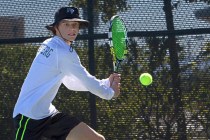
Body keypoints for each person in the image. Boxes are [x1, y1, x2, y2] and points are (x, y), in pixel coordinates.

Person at [13, 6, 121, 140]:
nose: (72, 29)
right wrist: (110, 93)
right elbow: (86, 80)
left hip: (48, 115)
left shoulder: (49, 44)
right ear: (56, 27)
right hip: (28, 116)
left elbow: (70, 83)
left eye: (75, 25)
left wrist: (105, 83)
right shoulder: (63, 52)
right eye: (66, 24)